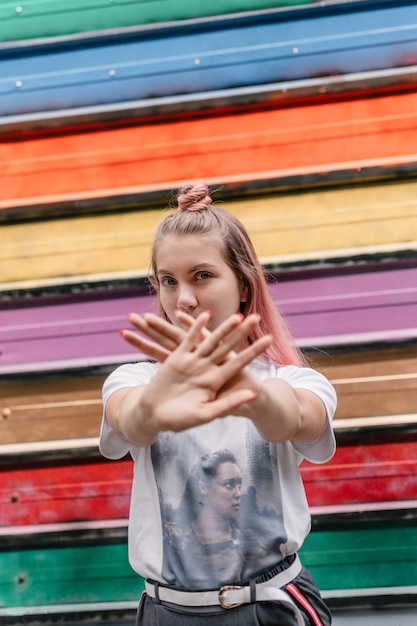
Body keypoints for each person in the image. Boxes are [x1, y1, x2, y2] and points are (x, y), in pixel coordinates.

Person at [100, 182, 337, 625]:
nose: (183, 300)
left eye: (202, 276)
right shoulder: (135, 379)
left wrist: (246, 386)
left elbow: (294, 417)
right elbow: (129, 419)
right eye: (168, 281)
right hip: (165, 612)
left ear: (244, 287)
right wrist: (153, 406)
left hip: (273, 608)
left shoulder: (296, 380)